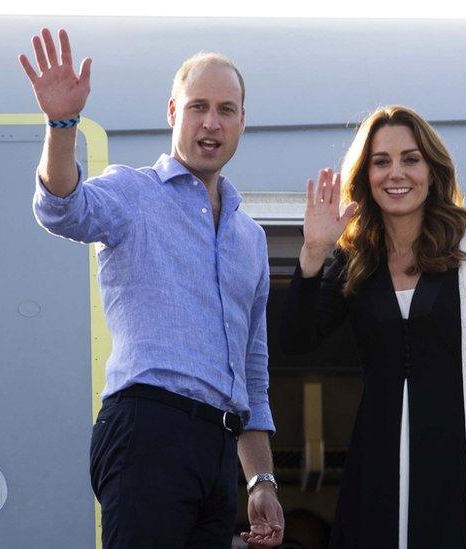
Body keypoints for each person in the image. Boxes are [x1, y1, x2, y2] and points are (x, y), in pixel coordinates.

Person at [19, 28, 284, 548]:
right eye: (198, 106)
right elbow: (61, 209)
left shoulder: (249, 238)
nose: (211, 123)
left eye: (226, 109)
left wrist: (261, 480)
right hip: (148, 428)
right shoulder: (133, 192)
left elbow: (253, 374)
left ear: (243, 122)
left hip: (218, 448)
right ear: (172, 112)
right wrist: (62, 124)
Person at [281, 105, 466, 547]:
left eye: (410, 158)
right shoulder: (356, 262)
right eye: (381, 162)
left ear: (432, 169)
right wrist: (313, 252)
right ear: (365, 176)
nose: (396, 173)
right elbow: (296, 340)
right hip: (375, 469)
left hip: (457, 465)